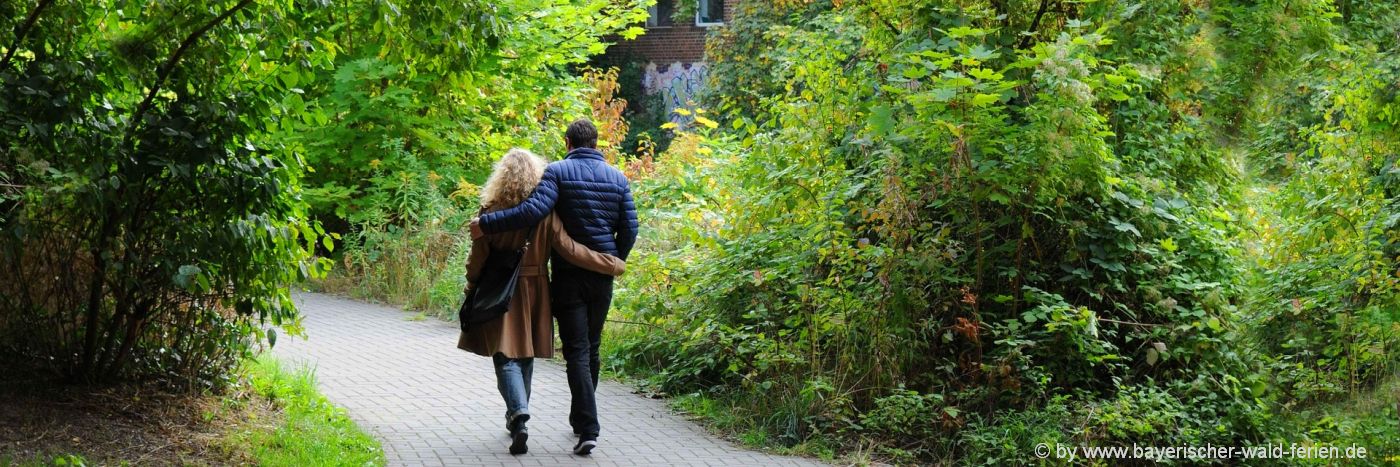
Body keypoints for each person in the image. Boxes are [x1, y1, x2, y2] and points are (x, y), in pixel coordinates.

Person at [470, 119, 638, 456]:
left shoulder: (558, 172)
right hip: (597, 274)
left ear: (567, 142)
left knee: (574, 350)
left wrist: (485, 223)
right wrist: (613, 258)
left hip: (566, 277)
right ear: (596, 142)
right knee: (591, 347)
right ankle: (582, 423)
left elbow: (532, 210)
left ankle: (579, 425)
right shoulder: (619, 178)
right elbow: (630, 227)